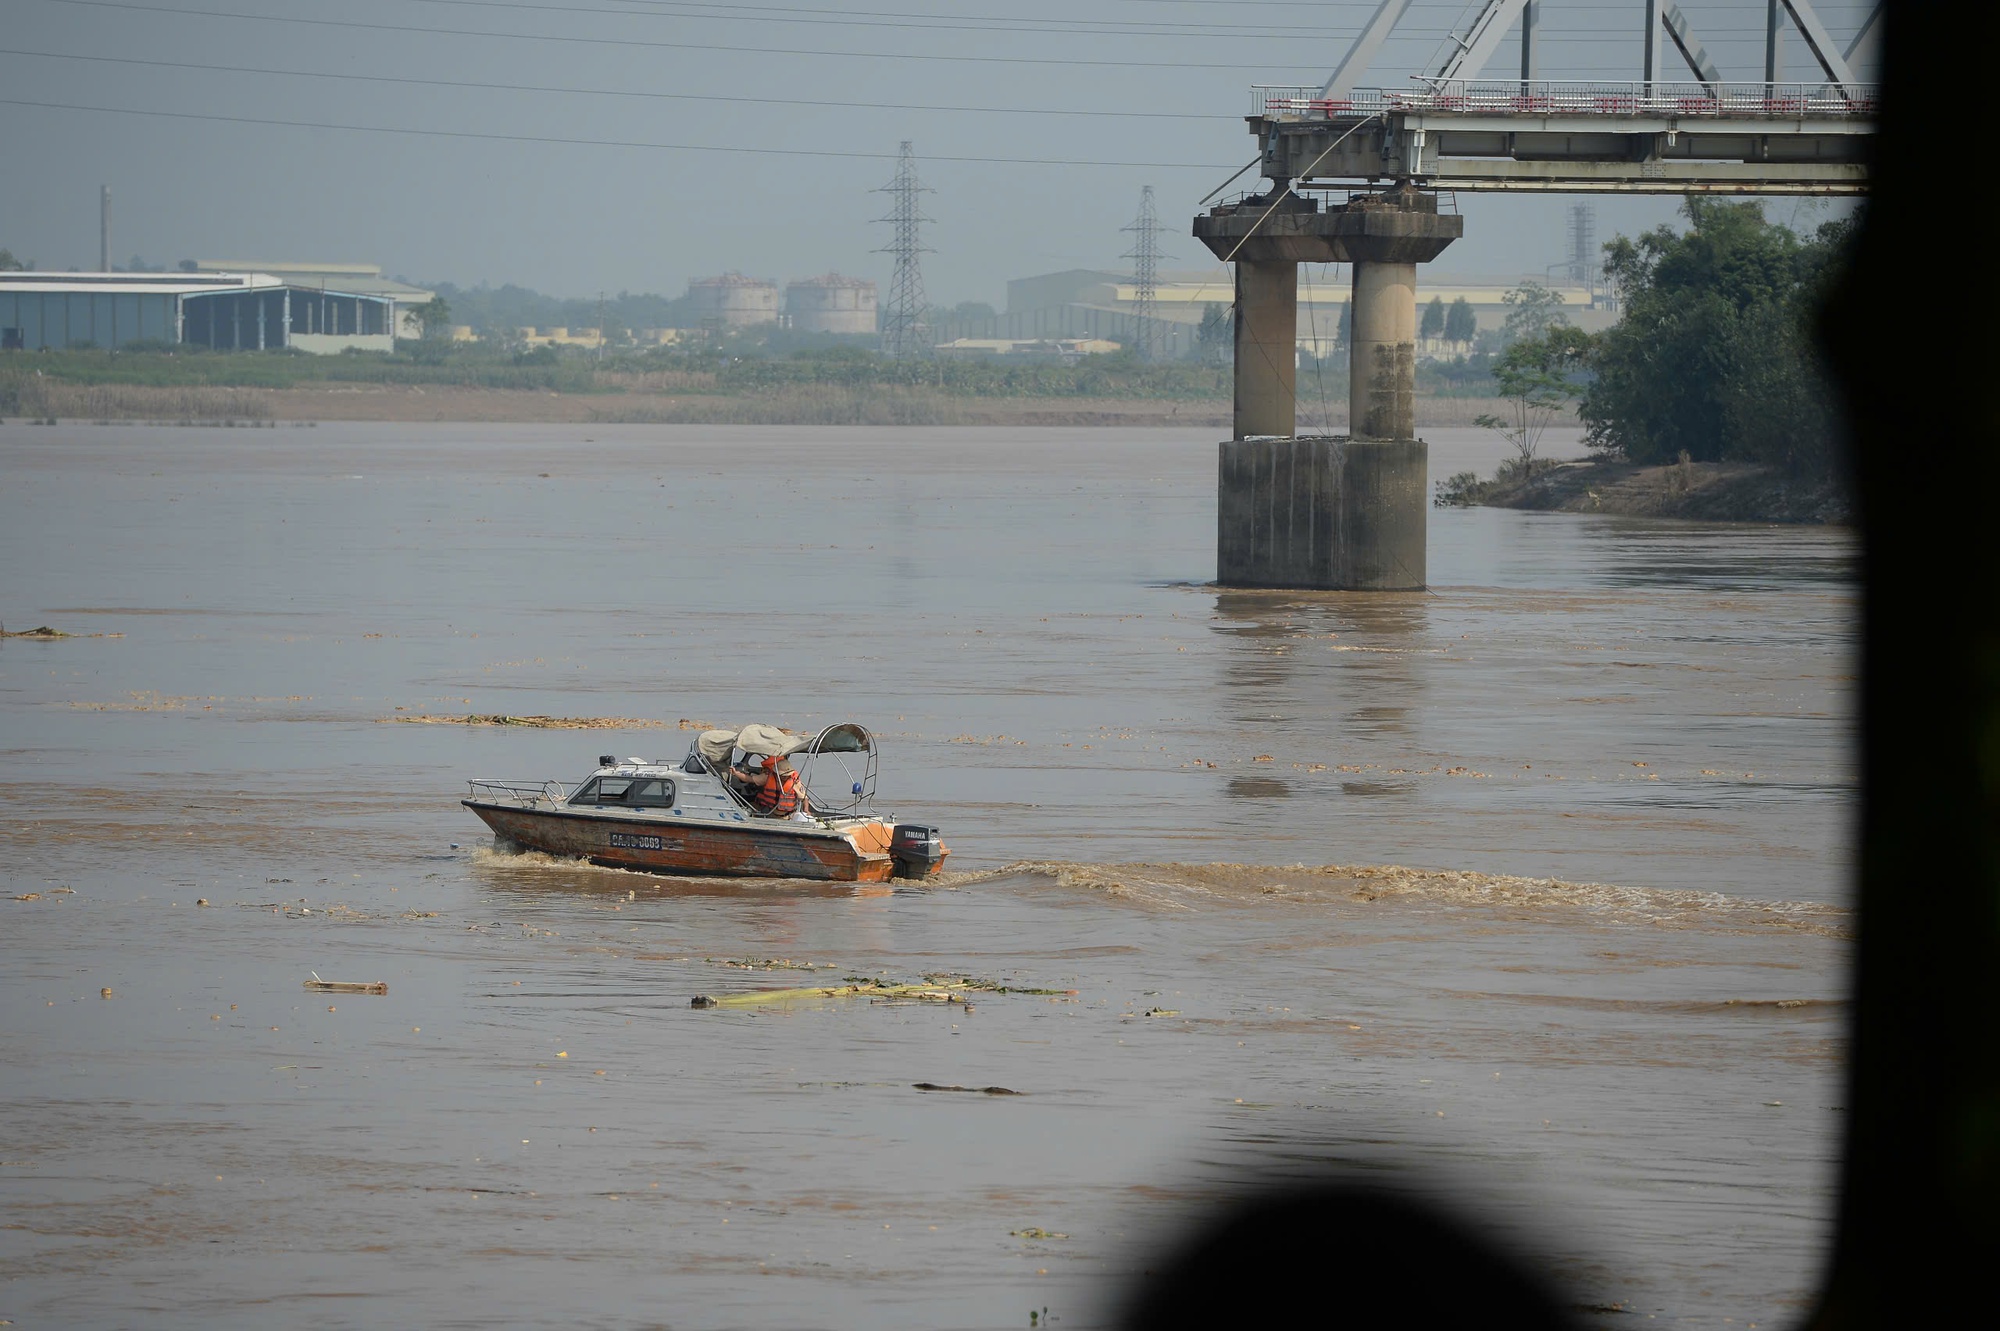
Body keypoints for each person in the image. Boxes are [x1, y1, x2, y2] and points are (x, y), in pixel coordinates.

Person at [731, 754, 803, 816]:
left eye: (787, 775)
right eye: (782, 775)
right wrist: (736, 773)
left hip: (787, 815)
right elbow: (749, 779)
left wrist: (806, 809)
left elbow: (803, 797)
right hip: (770, 812)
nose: (785, 777)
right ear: (777, 773)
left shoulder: (795, 781)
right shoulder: (767, 777)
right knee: (752, 806)